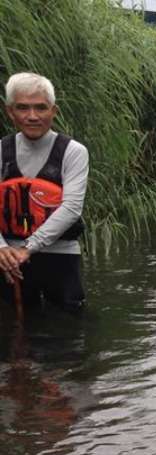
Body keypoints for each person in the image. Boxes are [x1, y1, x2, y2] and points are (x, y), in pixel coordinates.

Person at [1, 72, 88, 311]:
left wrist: (27, 248)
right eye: (23, 108)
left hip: (60, 254)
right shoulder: (1, 151)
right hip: (8, 259)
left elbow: (71, 208)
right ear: (10, 111)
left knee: (69, 331)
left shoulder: (74, 151)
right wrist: (2, 249)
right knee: (15, 331)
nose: (32, 116)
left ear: (53, 111)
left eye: (40, 108)